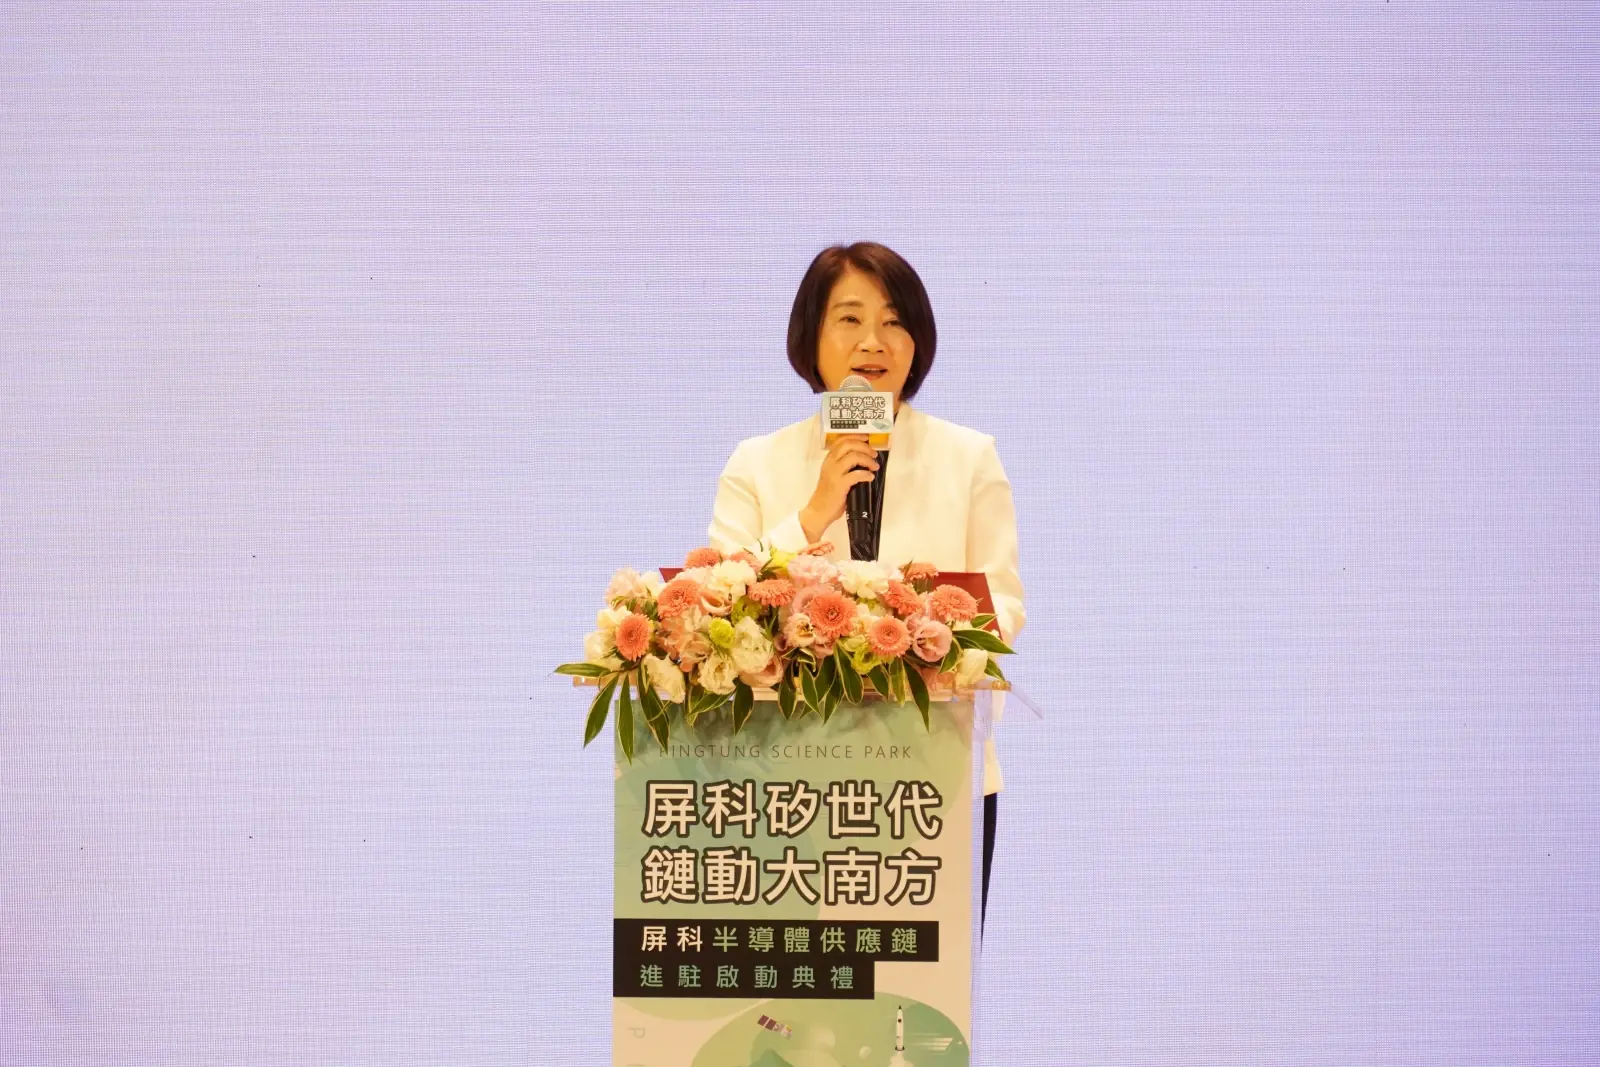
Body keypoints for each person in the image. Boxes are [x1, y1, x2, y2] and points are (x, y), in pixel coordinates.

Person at [706, 241, 1025, 925]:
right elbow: (722, 609)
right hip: (786, 786)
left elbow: (1003, 606)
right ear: (811, 338)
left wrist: (933, 645)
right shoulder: (756, 464)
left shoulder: (968, 458)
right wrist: (813, 513)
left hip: (931, 777)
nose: (873, 342)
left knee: (919, 984)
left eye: (894, 320)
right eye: (849, 319)